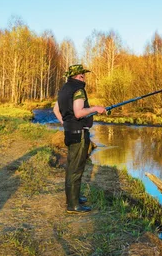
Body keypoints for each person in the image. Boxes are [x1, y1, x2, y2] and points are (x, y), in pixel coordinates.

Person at [53, 64, 106, 214]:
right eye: (81, 74)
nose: (83, 76)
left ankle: (73, 198)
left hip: (70, 132)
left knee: (71, 166)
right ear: (76, 76)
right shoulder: (78, 90)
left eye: (83, 74)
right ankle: (73, 205)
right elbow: (78, 112)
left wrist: (65, 123)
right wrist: (96, 108)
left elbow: (56, 110)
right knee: (76, 169)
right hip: (79, 133)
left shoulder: (64, 89)